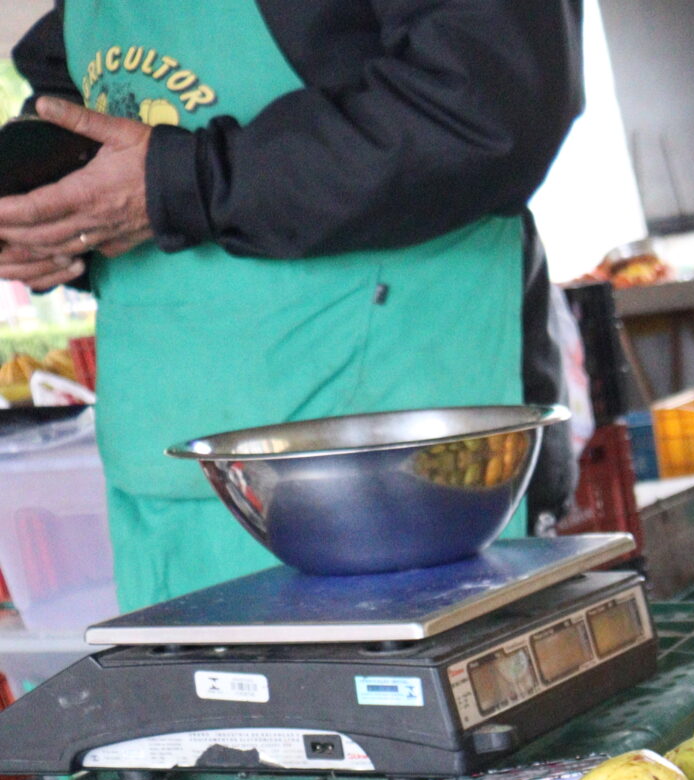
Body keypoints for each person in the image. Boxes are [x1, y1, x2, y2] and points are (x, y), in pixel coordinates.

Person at [0, 1, 582, 607]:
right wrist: (47, 217)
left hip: (398, 489)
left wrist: (179, 184)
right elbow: (75, 98)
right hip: (159, 479)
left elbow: (487, 107)